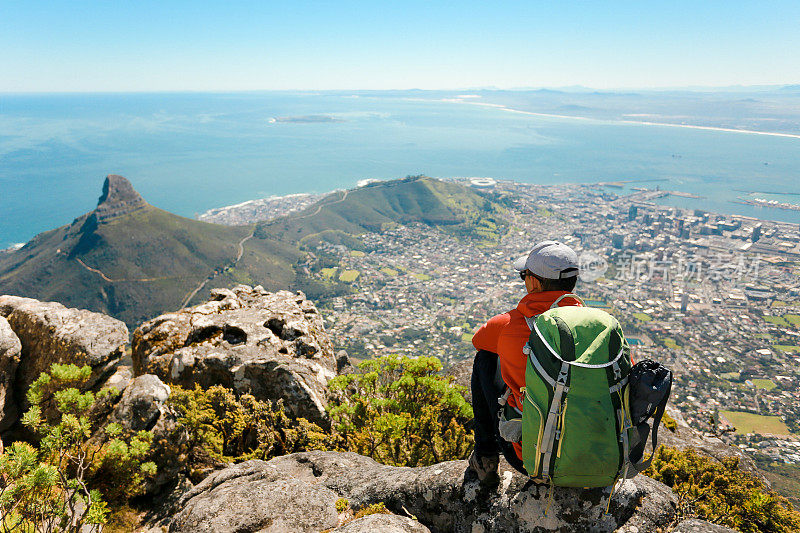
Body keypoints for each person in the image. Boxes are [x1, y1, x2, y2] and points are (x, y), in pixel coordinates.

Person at [468, 240, 582, 482]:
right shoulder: (601, 328)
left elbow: (479, 341)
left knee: (485, 359)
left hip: (531, 458)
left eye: (524, 275)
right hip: (594, 455)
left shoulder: (507, 325)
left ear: (535, 282)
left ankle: (486, 457)